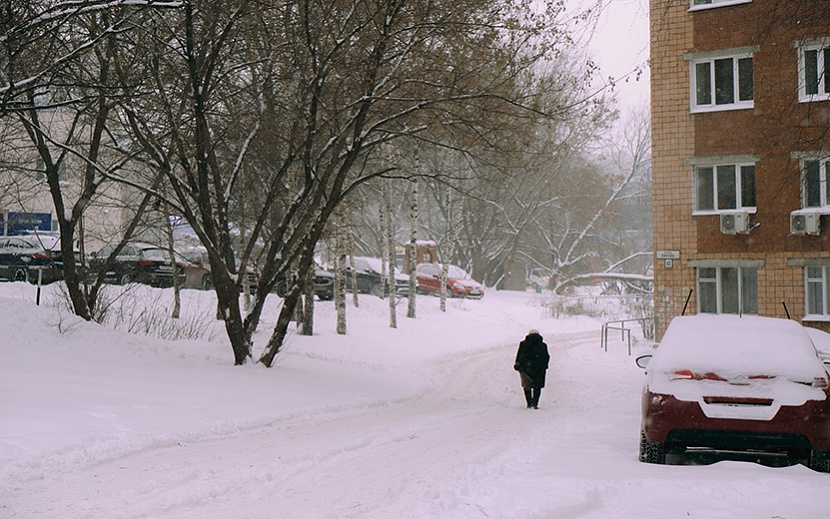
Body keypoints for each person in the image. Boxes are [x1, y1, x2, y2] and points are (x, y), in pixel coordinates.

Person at [513, 329, 550, 409]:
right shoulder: (543, 345)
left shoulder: (523, 344)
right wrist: (544, 366)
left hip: (526, 367)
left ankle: (529, 403)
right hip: (539, 368)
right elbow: (546, 357)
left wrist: (518, 364)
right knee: (537, 386)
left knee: (527, 386)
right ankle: (535, 403)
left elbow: (519, 355)